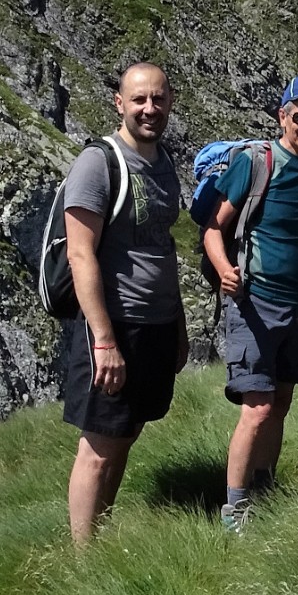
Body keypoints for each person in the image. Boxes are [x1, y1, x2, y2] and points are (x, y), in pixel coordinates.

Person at [204, 71, 298, 531]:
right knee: (258, 407)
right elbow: (213, 227)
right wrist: (224, 269)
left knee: (280, 400)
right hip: (255, 300)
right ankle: (235, 510)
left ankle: (263, 489)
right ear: (283, 116)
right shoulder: (257, 161)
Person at [63, 62, 187, 545]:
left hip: (155, 324)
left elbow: (164, 247)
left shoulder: (162, 163)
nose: (149, 108)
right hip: (116, 326)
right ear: (120, 103)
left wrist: (177, 326)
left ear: (170, 101)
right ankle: (82, 563)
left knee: (125, 434)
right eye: (139, 99)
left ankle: (101, 539)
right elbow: (79, 252)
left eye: (158, 98)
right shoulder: (98, 163)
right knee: (99, 445)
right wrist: (104, 341)